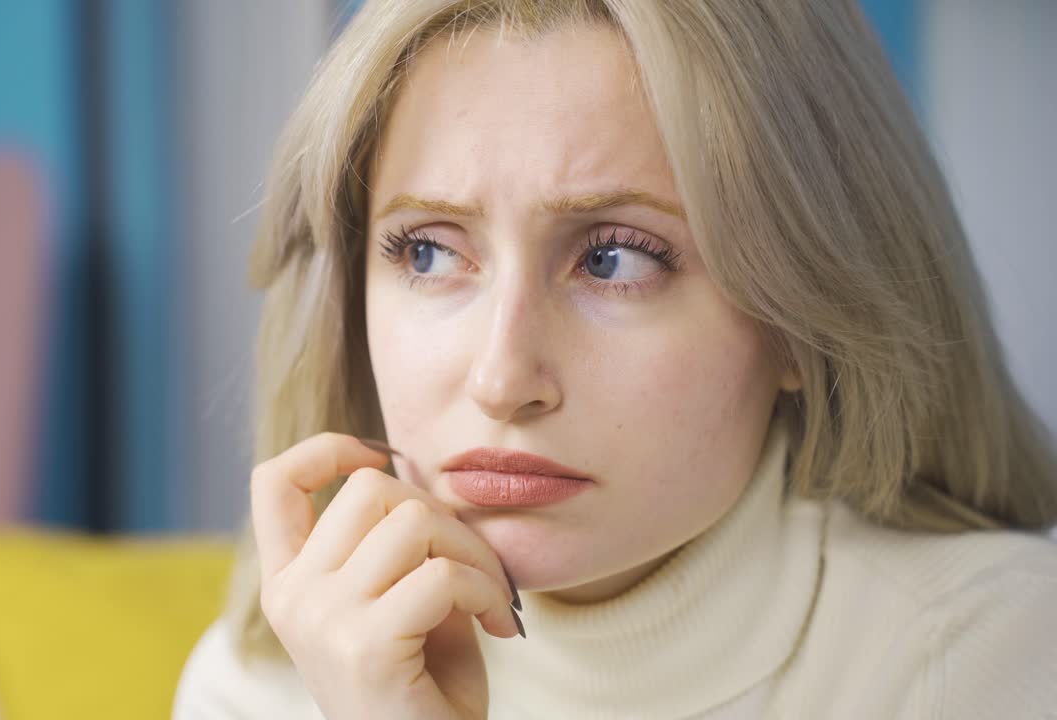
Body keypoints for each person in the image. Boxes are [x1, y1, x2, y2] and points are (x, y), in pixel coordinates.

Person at [174, 1, 1057, 717]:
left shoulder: (987, 659)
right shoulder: (264, 686)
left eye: (615, 258)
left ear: (802, 316)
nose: (500, 378)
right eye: (430, 253)